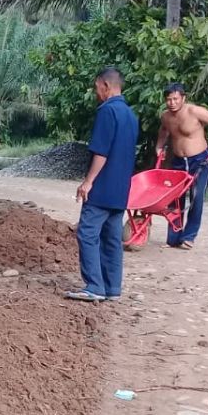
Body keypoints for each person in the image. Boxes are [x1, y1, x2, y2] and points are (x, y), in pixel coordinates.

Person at [66, 67, 140, 303]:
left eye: (97, 87)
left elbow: (102, 151)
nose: (96, 92)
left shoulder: (107, 112)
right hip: (121, 189)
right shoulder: (130, 115)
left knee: (87, 233)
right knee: (111, 238)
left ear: (105, 86)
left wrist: (88, 182)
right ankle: (112, 288)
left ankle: (94, 285)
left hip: (103, 187)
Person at [154, 82, 208, 249]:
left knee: (196, 197)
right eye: (169, 100)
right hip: (179, 161)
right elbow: (164, 131)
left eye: (175, 99)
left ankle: (189, 237)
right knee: (174, 199)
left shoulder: (194, 111)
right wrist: (159, 146)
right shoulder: (166, 116)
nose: (172, 103)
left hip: (199, 160)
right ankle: (173, 238)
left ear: (183, 98)